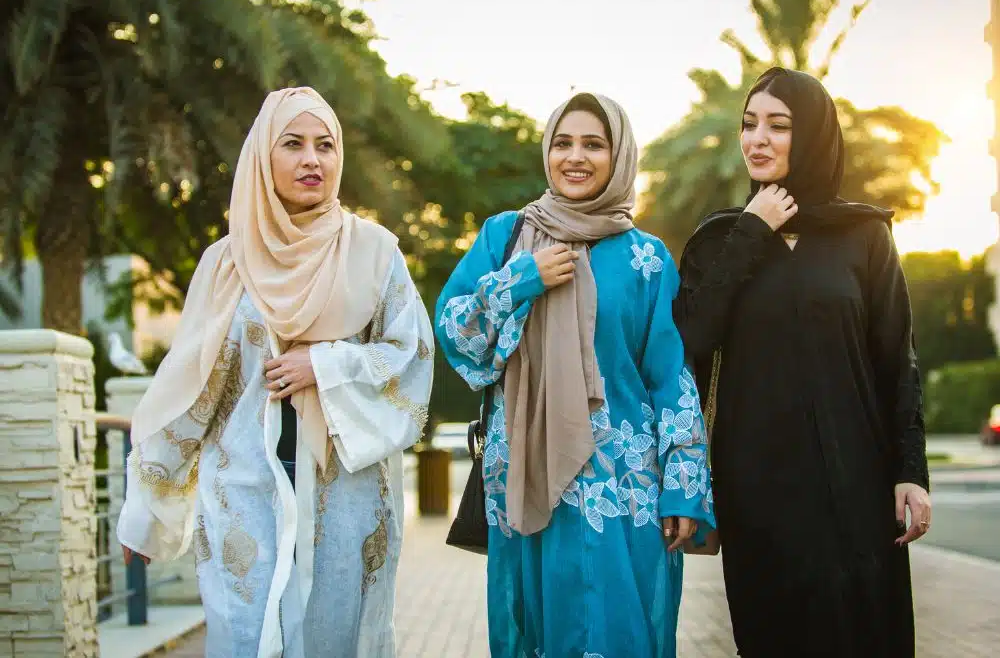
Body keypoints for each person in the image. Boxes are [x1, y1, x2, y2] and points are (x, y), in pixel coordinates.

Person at [116, 87, 433, 658]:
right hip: (243, 494)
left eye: (325, 145)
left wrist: (327, 364)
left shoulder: (375, 252)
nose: (313, 159)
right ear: (263, 157)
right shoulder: (226, 262)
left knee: (336, 638)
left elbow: (411, 358)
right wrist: (146, 510)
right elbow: (190, 389)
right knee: (245, 638)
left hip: (348, 498)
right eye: (293, 144)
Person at [435, 92, 715, 658]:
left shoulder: (648, 258)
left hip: (623, 491)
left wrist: (684, 488)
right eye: (562, 143)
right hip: (527, 479)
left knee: (623, 632)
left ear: (620, 156)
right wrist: (522, 279)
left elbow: (670, 377)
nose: (575, 157)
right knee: (535, 633)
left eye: (594, 143)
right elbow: (454, 331)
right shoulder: (505, 237)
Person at [675, 67, 931, 657]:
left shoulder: (863, 235)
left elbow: (897, 361)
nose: (757, 138)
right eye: (749, 124)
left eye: (779, 125)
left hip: (857, 481)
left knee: (866, 634)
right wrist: (751, 233)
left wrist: (910, 471)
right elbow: (691, 339)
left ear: (813, 134)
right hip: (759, 488)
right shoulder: (717, 241)